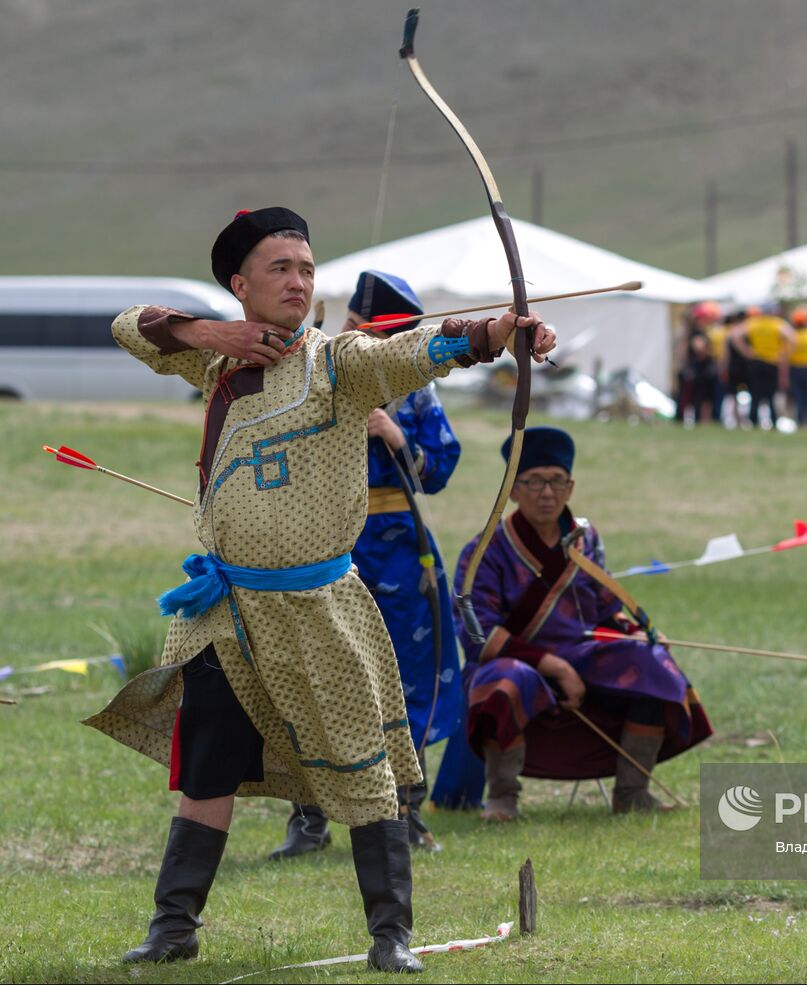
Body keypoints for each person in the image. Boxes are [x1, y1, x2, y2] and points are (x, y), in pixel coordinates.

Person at [84, 207, 555, 972]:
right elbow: (128, 326)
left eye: (307, 267)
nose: (300, 280)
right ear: (240, 285)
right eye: (280, 268)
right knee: (207, 771)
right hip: (227, 613)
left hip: (319, 609)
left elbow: (417, 350)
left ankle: (390, 934)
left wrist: (498, 333)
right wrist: (212, 335)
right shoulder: (212, 364)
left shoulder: (341, 363)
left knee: (363, 769)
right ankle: (174, 927)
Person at [266, 270, 479, 861]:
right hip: (322, 545)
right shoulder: (311, 374)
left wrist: (392, 433)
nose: (367, 338)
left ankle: (404, 812)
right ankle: (308, 819)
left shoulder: (414, 390)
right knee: (313, 678)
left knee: (409, 675)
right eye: (362, 328)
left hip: (401, 549)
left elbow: (438, 469)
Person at [450, 427, 712, 820]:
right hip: (515, 662)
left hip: (582, 653)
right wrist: (554, 666)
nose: (547, 492)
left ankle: (632, 791)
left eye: (557, 481)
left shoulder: (584, 541)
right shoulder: (484, 549)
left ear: (570, 488)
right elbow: (478, 633)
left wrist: (640, 635)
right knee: (503, 681)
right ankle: (502, 797)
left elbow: (605, 608)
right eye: (534, 482)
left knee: (651, 664)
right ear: (513, 491)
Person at [730, 304, 794, 429]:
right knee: (771, 394)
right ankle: (773, 420)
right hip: (772, 362)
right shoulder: (777, 323)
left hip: (756, 362)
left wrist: (747, 351)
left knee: (756, 392)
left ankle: (753, 420)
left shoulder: (754, 323)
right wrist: (784, 354)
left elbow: (735, 336)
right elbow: (793, 339)